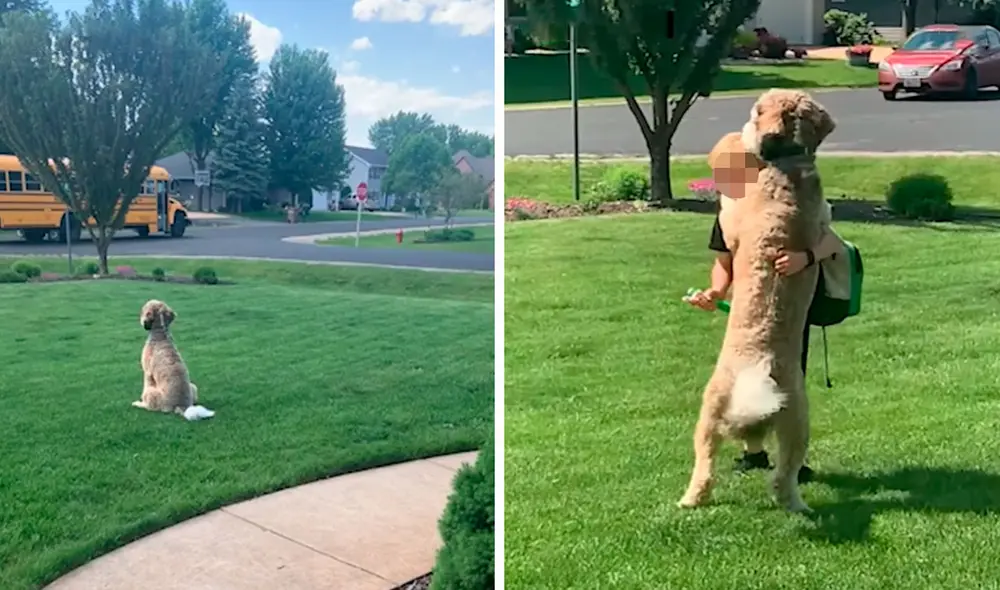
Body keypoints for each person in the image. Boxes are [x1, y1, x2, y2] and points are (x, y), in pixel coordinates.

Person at [686, 133, 843, 483]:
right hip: (748, 312)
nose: (723, 183)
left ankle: (793, 463)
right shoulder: (731, 207)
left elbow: (833, 242)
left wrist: (805, 257)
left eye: (730, 174)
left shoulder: (791, 199)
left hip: (789, 310)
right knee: (741, 378)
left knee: (786, 381)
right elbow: (723, 260)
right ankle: (753, 454)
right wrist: (714, 291)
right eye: (719, 175)